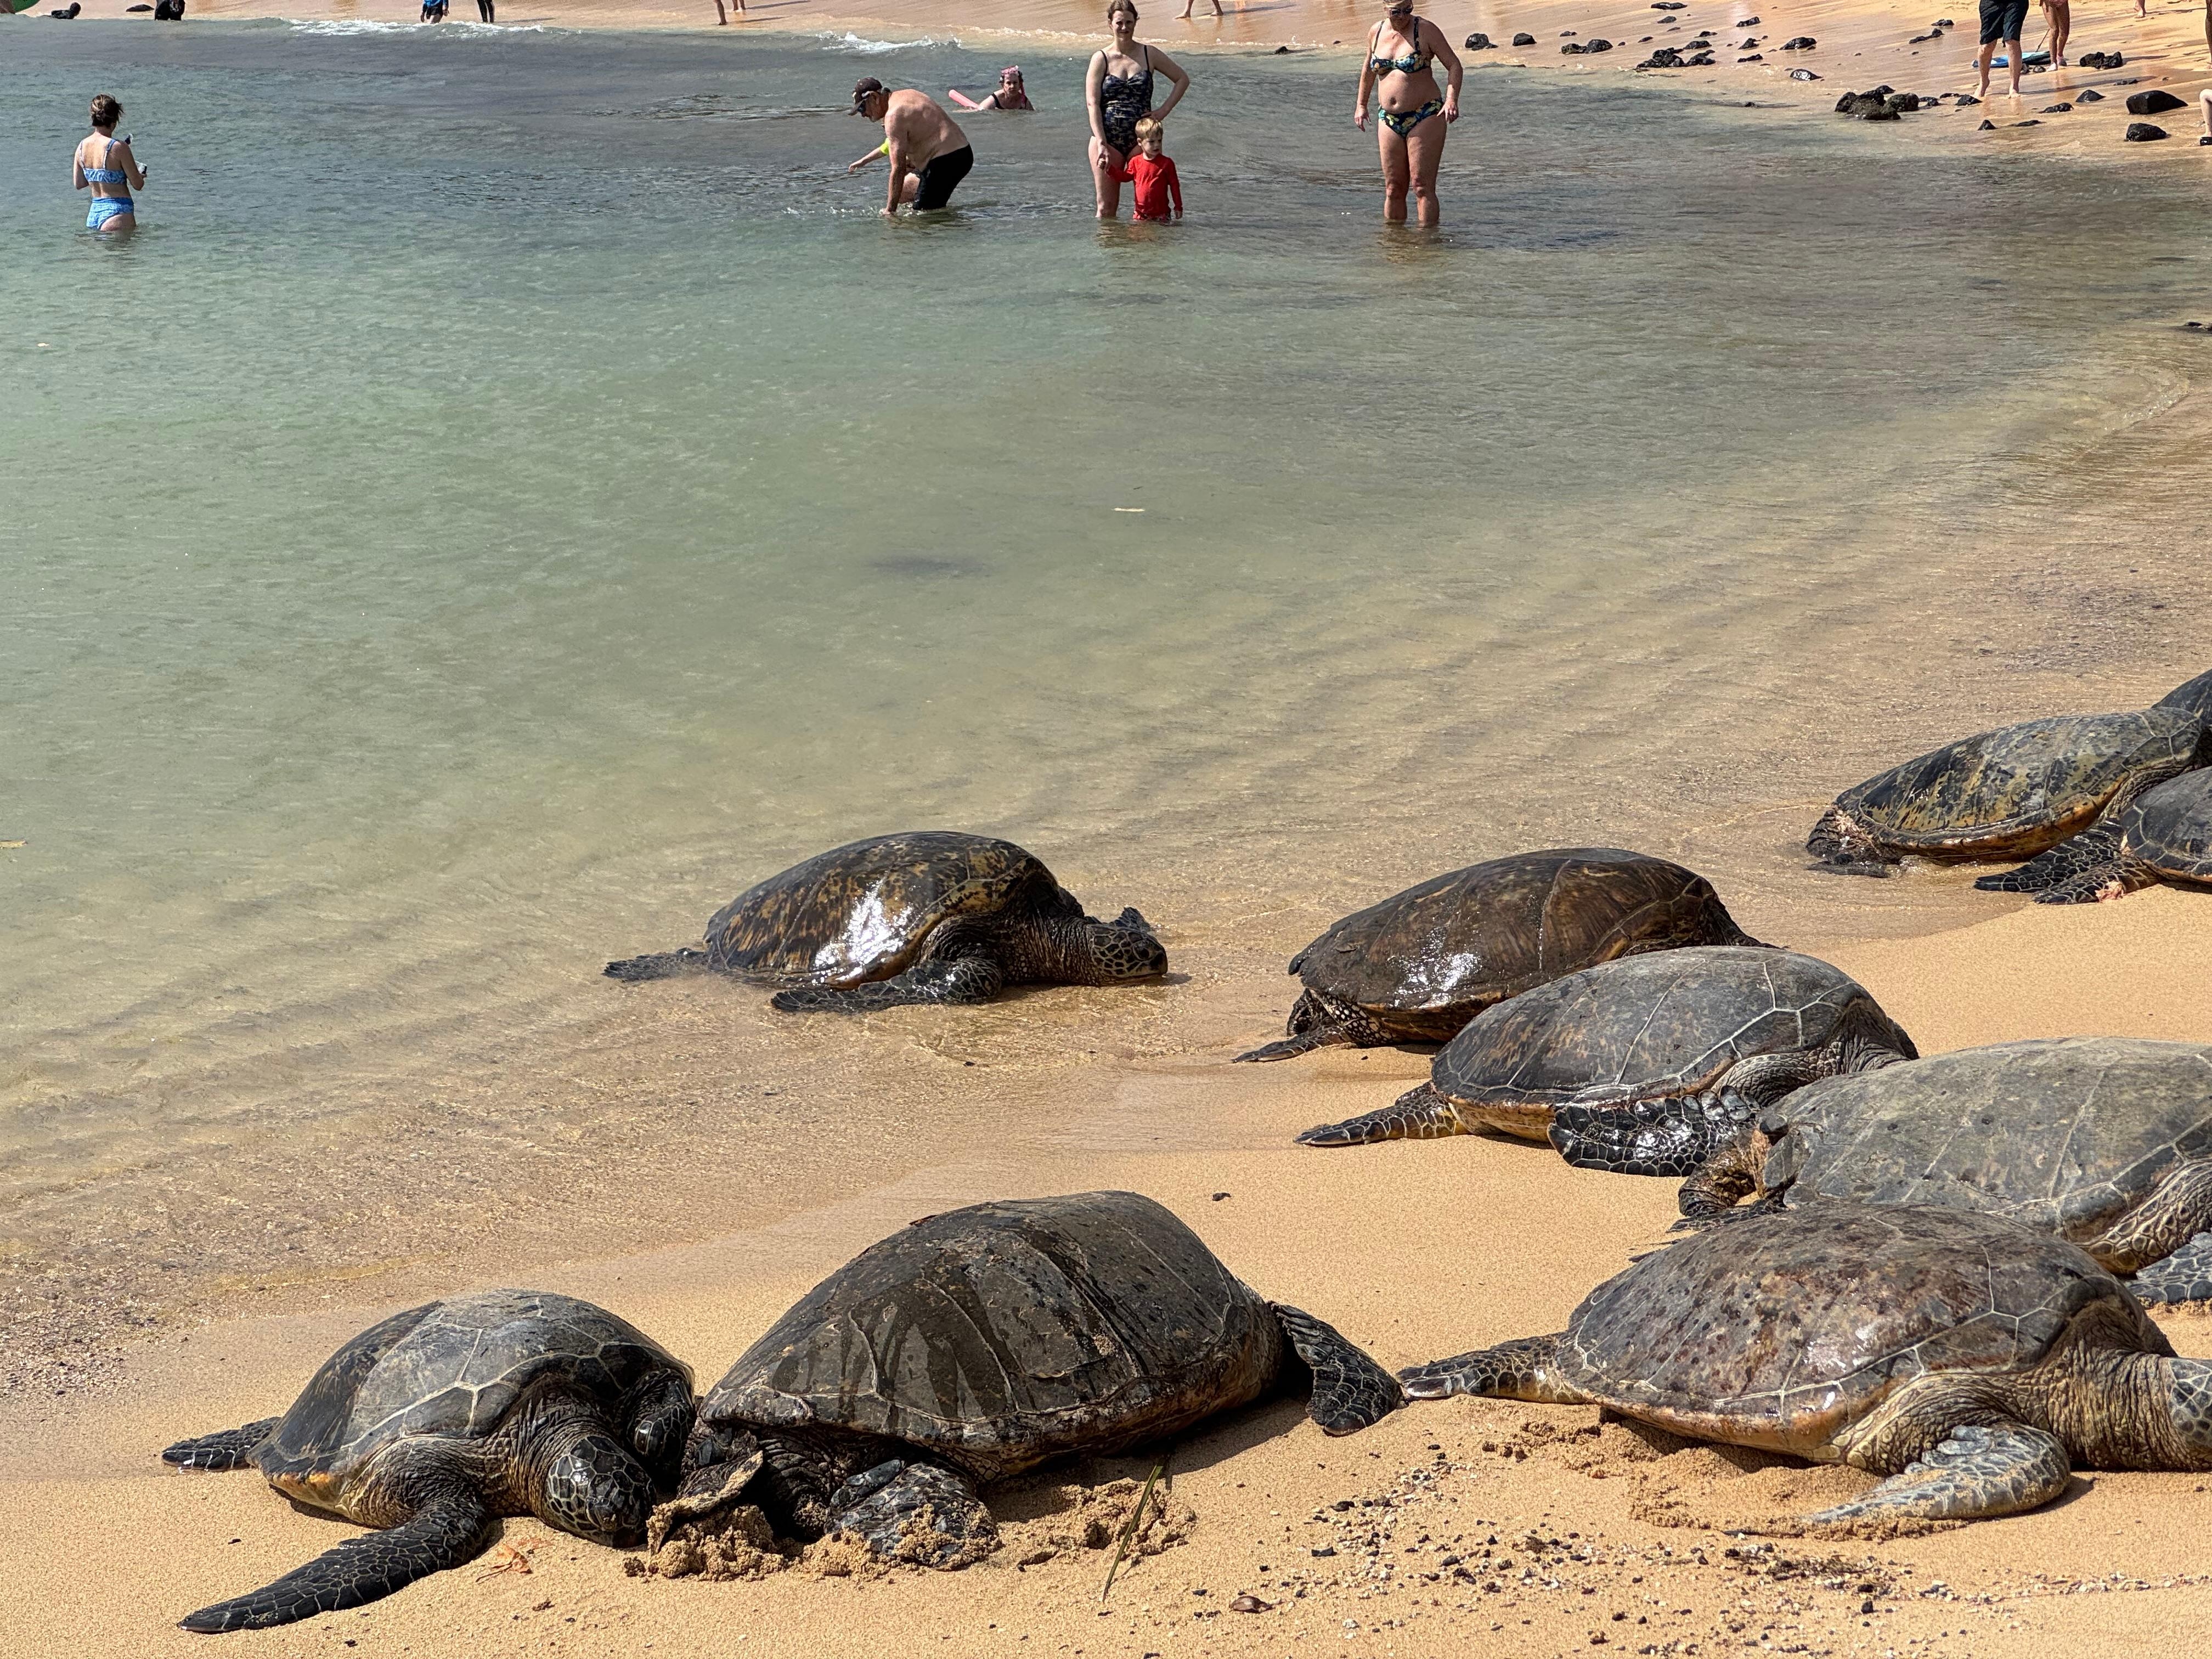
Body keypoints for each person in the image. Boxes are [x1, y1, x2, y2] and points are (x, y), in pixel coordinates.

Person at [1353, 0, 1461, 228]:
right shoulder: (1377, 31)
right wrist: (1361, 105)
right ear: (1385, 9)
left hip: (1426, 115)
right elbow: (1368, 69)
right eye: (1396, 12)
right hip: (1389, 119)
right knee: (1393, 188)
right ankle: (1394, 246)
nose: (1402, 16)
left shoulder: (1425, 30)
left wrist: (1451, 100)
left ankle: (1428, 244)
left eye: (1407, 10)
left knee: (1421, 186)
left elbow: (1454, 65)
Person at [1087, 2, 1190, 220]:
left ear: (1136, 22)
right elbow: (1093, 103)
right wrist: (1101, 143)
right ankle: (1112, 253)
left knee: (1153, 208)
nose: (1124, 27)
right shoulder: (1101, 58)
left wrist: (1163, 111)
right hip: (1108, 141)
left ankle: (1149, 253)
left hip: (1143, 142)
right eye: (1119, 23)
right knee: (1106, 209)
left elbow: (1182, 79)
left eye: (1129, 22)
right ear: (1110, 24)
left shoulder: (1148, 53)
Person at [847, 78, 973, 215]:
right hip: (958, 153)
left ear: (874, 97)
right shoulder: (906, 94)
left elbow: (898, 167)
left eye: (862, 108)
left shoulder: (893, 116)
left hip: (946, 160)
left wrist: (890, 211)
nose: (863, 114)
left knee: (924, 217)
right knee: (904, 193)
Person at [73, 93, 145, 235]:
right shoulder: (119, 147)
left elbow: (79, 183)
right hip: (118, 213)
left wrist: (100, 175)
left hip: (94, 214)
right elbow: (138, 185)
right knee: (122, 257)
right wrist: (138, 175)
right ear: (114, 122)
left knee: (99, 257)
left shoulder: (81, 147)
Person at [1104, 115, 1182, 222]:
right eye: (1152, 142)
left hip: (1161, 214)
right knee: (1137, 237)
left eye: (1159, 141)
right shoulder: (1135, 162)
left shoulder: (1167, 163)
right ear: (1140, 142)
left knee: (1162, 237)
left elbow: (1175, 186)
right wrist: (1109, 168)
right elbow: (1125, 177)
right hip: (1140, 214)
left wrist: (1178, 207)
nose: (1157, 145)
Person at [1976, 0, 2027, 97]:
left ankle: (2014, 87)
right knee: (1986, 46)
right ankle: (1984, 82)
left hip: (2016, 3)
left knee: (2011, 41)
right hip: (1991, 3)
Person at [950, 66, 1033, 111]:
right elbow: (980, 112)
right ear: (1002, 85)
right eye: (1008, 83)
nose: (1012, 86)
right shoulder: (995, 99)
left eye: (1015, 83)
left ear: (1020, 84)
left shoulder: (1024, 102)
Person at [2040, 0, 2069, 65]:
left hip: (2062, 2)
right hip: (2048, 2)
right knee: (2055, 30)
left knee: (2065, 33)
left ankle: (2060, 56)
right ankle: (2053, 62)